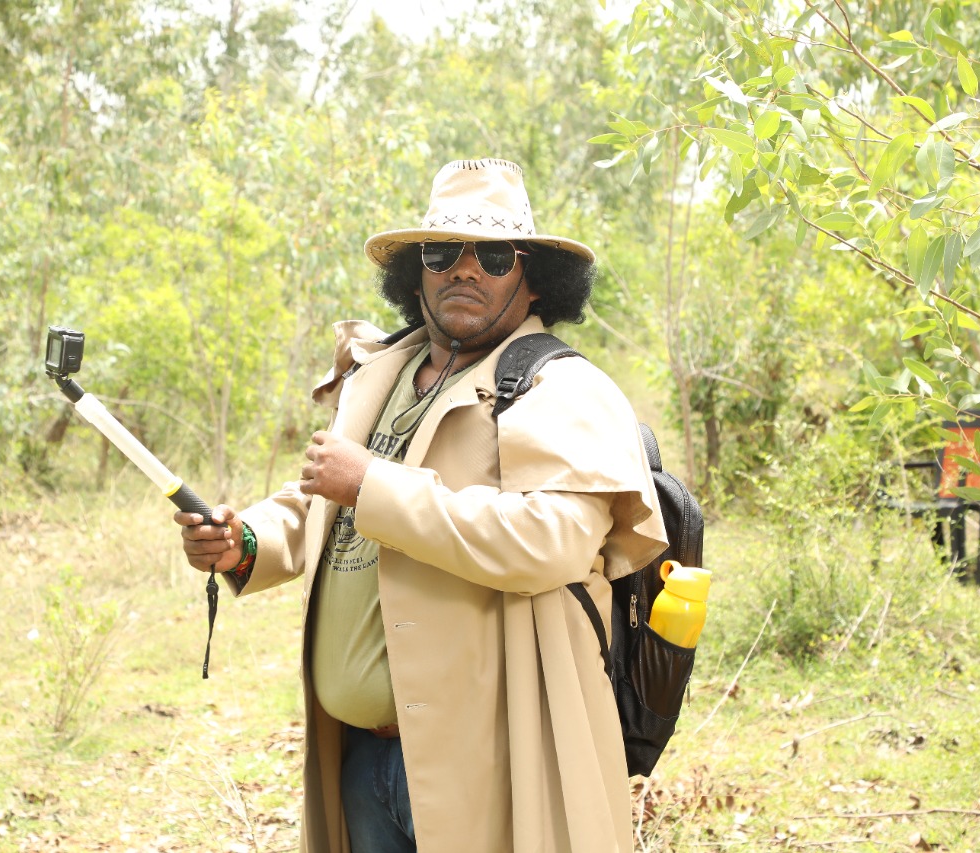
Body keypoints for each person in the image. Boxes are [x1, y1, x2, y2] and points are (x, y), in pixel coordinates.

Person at [176, 158, 666, 853]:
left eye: (493, 255)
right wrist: (244, 540)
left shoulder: (565, 390)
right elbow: (325, 503)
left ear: (531, 277)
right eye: (443, 252)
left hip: (491, 766)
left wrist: (373, 485)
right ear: (416, 272)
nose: (466, 270)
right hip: (363, 761)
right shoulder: (384, 374)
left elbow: (550, 541)